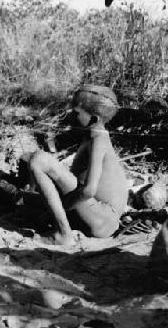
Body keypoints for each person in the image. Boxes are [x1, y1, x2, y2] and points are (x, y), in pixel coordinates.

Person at [25, 85, 128, 245]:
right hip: (95, 214)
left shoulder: (98, 140)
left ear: (94, 119)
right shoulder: (92, 135)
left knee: (39, 159)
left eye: (76, 112)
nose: (71, 116)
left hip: (102, 218)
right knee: (28, 201)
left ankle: (63, 234)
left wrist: (62, 207)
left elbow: (88, 190)